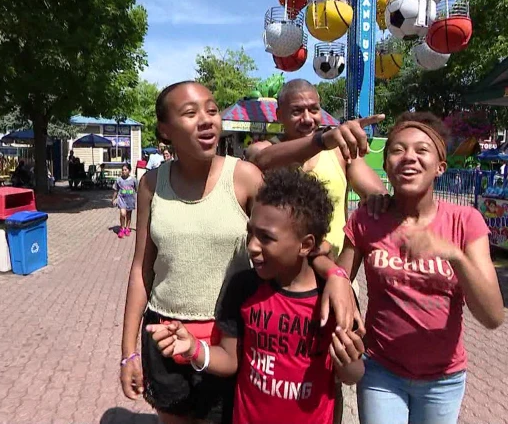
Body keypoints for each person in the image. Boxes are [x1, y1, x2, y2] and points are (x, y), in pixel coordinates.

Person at [120, 81, 358, 424]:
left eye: (212, 110)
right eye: (190, 113)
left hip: (225, 339)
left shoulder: (245, 177)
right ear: (166, 130)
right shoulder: (151, 184)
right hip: (164, 334)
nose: (206, 120)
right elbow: (142, 269)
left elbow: (294, 239)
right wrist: (128, 352)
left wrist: (334, 274)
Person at [146, 168, 365, 424]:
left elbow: (351, 375)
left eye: (266, 237)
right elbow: (230, 360)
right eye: (251, 232)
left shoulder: (334, 299)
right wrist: (195, 349)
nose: (252, 245)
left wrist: (349, 361)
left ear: (305, 245)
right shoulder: (243, 287)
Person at [336, 112, 504, 424]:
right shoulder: (366, 220)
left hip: (444, 379)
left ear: (440, 167)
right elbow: (338, 281)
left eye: (421, 150)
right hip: (381, 372)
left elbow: (493, 316)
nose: (409, 157)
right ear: (386, 166)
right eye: (397, 150)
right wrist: (348, 313)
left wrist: (454, 255)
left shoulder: (465, 222)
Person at [246, 79, 389, 257]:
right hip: (276, 277)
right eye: (297, 111)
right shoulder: (262, 149)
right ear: (279, 115)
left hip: (334, 274)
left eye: (314, 110)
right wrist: (321, 140)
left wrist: (377, 200)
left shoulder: (340, 151)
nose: (307, 119)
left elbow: (376, 192)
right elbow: (261, 159)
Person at [112, 163, 138, 238]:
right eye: (122, 170)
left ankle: (127, 228)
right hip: (121, 199)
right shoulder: (119, 180)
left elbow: (137, 189)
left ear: (129, 171)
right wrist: (113, 199)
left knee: (128, 215)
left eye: (125, 170)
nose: (123, 171)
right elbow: (116, 190)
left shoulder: (133, 180)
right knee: (122, 214)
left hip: (130, 200)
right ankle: (122, 228)